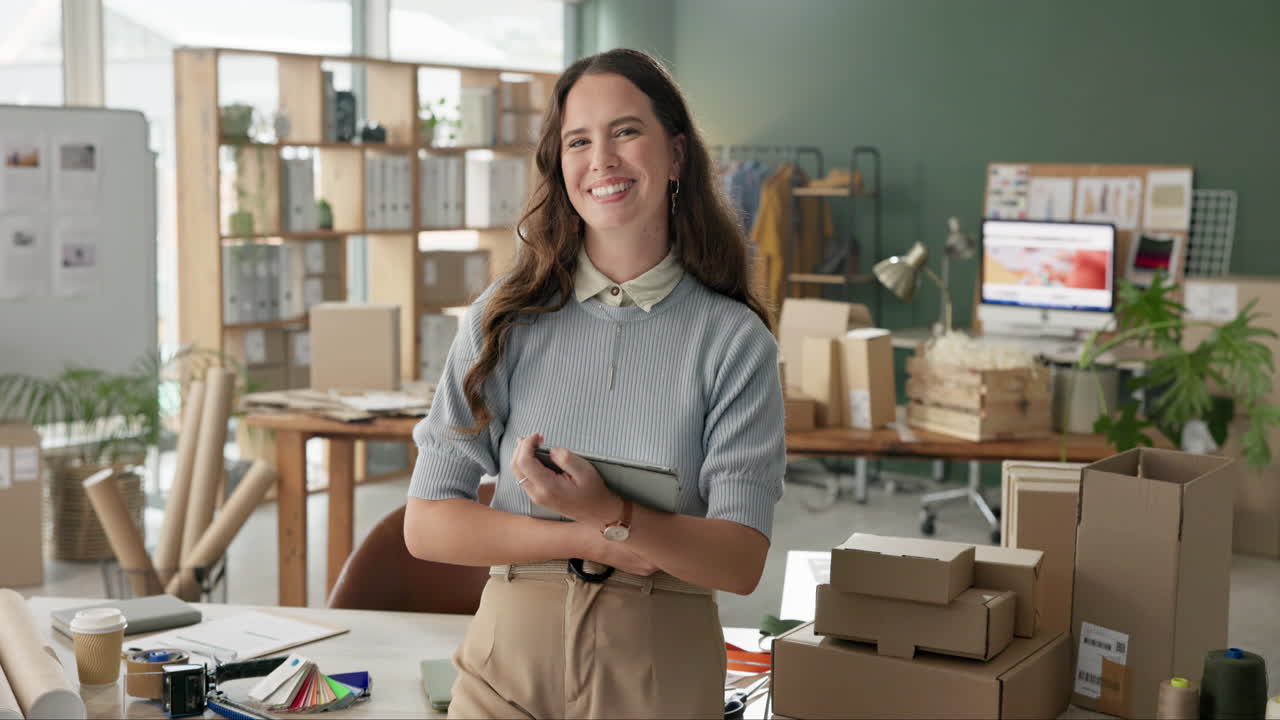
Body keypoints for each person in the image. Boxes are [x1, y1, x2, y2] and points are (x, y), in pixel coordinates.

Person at [403, 48, 786, 719]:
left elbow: (740, 560)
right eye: (579, 141)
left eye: (626, 132)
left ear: (675, 155)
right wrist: (588, 532)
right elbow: (428, 525)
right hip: (505, 668)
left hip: (658, 671)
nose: (601, 160)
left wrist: (613, 513)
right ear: (561, 166)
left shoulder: (734, 341)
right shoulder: (502, 319)